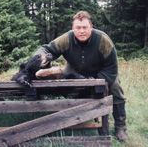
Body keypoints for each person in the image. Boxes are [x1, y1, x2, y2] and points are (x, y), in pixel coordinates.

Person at [35, 11, 128, 141]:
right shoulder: (66, 38)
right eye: (78, 28)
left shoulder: (103, 40)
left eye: (85, 27)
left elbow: (111, 68)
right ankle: (69, 114)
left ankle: (120, 127)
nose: (81, 31)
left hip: (100, 72)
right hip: (74, 69)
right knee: (59, 80)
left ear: (91, 27)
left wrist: (96, 81)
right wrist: (42, 56)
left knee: (116, 88)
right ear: (73, 28)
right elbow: (47, 49)